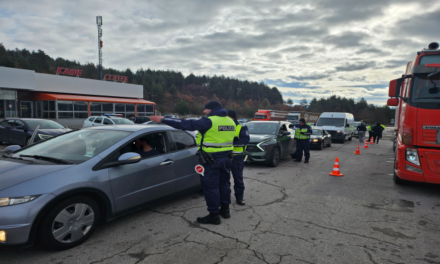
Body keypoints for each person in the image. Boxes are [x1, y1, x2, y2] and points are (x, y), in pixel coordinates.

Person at [149, 101, 236, 225]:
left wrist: (163, 119)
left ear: (211, 109)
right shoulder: (230, 121)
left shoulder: (210, 121)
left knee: (211, 187)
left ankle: (214, 216)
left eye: (205, 110)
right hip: (226, 159)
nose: (203, 112)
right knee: (224, 185)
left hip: (211, 160)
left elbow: (185, 124)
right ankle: (225, 211)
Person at [228, 110, 250, 206]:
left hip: (237, 157)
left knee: (238, 179)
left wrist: (232, 143)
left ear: (232, 117)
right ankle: (225, 197)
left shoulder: (241, 127)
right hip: (225, 157)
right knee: (224, 179)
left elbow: (245, 140)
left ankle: (239, 197)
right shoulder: (223, 126)